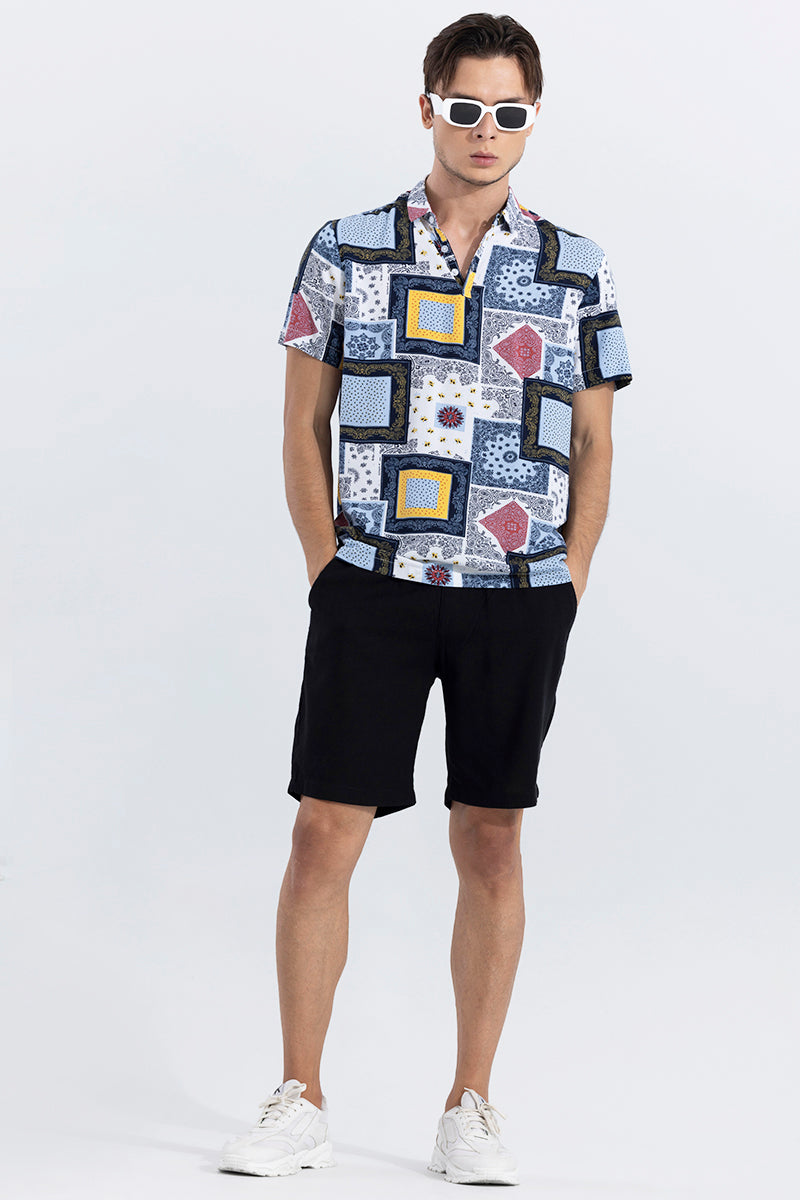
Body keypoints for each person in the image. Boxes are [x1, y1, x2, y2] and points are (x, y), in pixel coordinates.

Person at [218, 11, 633, 1186]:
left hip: (516, 593)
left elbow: (595, 443)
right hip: (373, 585)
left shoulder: (575, 265)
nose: (484, 129)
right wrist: (327, 568)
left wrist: (565, 580)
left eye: (508, 111)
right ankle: (299, 1097)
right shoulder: (344, 248)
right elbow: (300, 425)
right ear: (426, 109)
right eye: (464, 107)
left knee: (491, 837)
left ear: (531, 119)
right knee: (322, 831)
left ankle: (469, 1104)